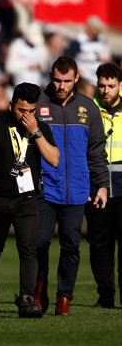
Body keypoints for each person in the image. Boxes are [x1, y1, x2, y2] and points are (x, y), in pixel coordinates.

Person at [0, 82, 60, 318]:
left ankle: (27, 300)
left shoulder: (40, 128)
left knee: (29, 251)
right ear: (11, 105)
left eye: (31, 110)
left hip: (27, 199)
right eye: (22, 110)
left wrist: (36, 132)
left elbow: (54, 159)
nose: (26, 115)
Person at [34, 56, 109, 316]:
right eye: (57, 80)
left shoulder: (88, 108)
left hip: (77, 190)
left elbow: (97, 152)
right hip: (44, 188)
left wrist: (101, 185)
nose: (61, 85)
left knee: (71, 246)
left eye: (67, 80)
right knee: (40, 243)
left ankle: (63, 298)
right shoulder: (38, 102)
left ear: (76, 78)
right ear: (51, 76)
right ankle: (38, 292)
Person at [84, 62, 122, 308]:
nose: (105, 90)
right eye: (102, 85)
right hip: (96, 183)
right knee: (99, 244)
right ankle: (105, 295)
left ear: (120, 85)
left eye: (111, 86)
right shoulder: (87, 110)